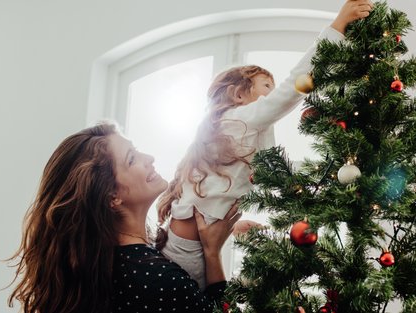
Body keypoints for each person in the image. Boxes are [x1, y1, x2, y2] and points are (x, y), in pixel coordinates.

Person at [156, 0, 374, 290]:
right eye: (265, 87)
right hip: (182, 255)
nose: (271, 95)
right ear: (237, 95)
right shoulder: (236, 120)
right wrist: (335, 30)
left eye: (271, 88)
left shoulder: (240, 140)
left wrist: (339, 170)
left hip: (188, 252)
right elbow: (290, 91)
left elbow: (278, 169)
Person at [7, 123, 239, 313]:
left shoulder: (106, 265)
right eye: (131, 159)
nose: (149, 157)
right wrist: (213, 254)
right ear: (112, 195)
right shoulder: (157, 281)